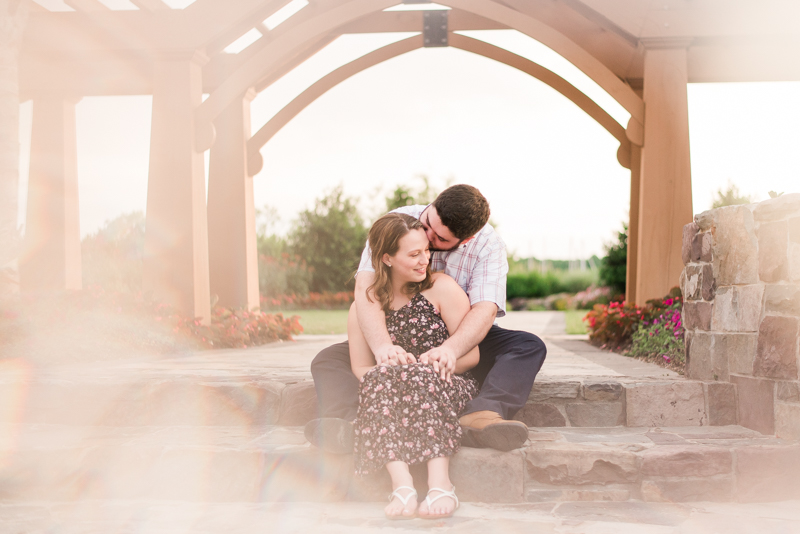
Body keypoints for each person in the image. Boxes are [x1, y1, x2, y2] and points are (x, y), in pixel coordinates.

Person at [306, 184, 547, 454]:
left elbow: (484, 310)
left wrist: (448, 351)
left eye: (439, 240)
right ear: (432, 204)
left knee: (528, 346)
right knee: (328, 360)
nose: (428, 237)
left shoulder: (488, 247)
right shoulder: (401, 223)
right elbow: (366, 288)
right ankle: (348, 422)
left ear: (464, 240)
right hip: (397, 332)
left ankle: (482, 413)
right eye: (428, 223)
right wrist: (383, 347)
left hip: (460, 331)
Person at [350, 212, 478, 519]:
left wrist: (435, 362)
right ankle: (402, 485)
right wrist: (397, 373)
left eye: (427, 251)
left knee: (422, 376)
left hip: (444, 384)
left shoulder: (443, 288)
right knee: (380, 379)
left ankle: (440, 483)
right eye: (414, 254)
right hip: (390, 391)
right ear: (387, 259)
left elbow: (472, 357)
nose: (425, 260)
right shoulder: (364, 306)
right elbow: (360, 368)